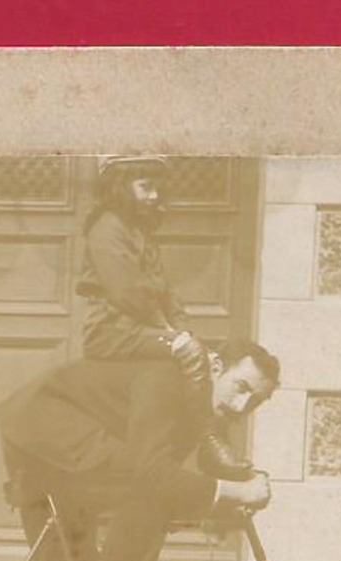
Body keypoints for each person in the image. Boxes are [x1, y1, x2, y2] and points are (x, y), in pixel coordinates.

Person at [0, 340, 280, 561]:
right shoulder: (168, 378)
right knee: (151, 489)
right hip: (46, 433)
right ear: (216, 366)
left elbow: (210, 462)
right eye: (241, 387)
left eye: (255, 400)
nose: (242, 405)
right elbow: (154, 473)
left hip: (74, 445)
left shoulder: (202, 398)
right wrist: (239, 492)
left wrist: (243, 479)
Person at [78, 154, 247, 480]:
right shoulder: (106, 227)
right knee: (189, 353)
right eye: (146, 187)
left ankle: (200, 442)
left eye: (158, 188)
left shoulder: (139, 231)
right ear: (121, 186)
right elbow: (127, 291)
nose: (154, 195)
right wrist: (172, 333)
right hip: (110, 330)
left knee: (204, 354)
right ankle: (209, 444)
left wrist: (182, 329)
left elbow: (166, 292)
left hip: (139, 326)